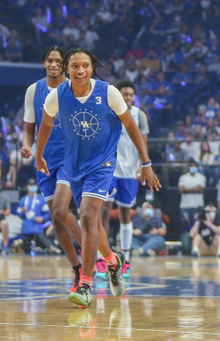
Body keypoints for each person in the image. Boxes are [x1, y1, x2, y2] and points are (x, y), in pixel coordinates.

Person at [36, 47, 160, 307]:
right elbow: (45, 125)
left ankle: (85, 285)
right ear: (67, 69)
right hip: (74, 165)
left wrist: (145, 162)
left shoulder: (109, 92)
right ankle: (113, 262)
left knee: (88, 216)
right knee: (93, 225)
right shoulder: (57, 96)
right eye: (74, 66)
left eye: (85, 65)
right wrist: (39, 155)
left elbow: (131, 127)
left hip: (102, 165)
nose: (80, 70)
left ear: (92, 67)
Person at [21, 46, 84, 292]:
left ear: (65, 65)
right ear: (44, 63)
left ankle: (93, 253)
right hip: (43, 161)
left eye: (59, 61)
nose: (54, 64)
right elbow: (29, 131)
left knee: (60, 209)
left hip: (70, 158)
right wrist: (27, 147)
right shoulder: (33, 90)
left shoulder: (75, 88)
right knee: (57, 221)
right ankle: (77, 269)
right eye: (50, 60)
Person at [100, 80, 149, 279]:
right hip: (110, 170)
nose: (128, 97)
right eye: (124, 94)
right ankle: (102, 260)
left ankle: (125, 260)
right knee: (103, 211)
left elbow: (143, 144)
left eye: (130, 94)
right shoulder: (109, 112)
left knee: (125, 213)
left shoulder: (140, 115)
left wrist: (142, 166)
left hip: (130, 171)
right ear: (118, 95)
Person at [16, 179, 60, 254]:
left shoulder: (41, 199)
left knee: (42, 237)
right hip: (26, 228)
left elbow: (47, 213)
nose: (32, 187)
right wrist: (22, 211)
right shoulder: (23, 200)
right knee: (25, 246)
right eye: (30, 185)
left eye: (34, 185)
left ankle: (51, 248)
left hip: (37, 227)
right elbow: (18, 212)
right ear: (27, 187)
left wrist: (42, 218)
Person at [179, 160, 206, 228]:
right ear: (189, 167)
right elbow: (181, 190)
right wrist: (195, 189)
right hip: (185, 205)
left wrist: (186, 189)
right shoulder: (183, 177)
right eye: (191, 166)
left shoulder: (201, 177)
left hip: (197, 205)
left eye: (194, 166)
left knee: (197, 226)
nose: (193, 167)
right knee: (185, 225)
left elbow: (200, 190)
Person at [0, 184, 11, 254]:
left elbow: (8, 212)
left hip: (1, 219)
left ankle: (5, 246)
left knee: (5, 223)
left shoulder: (5, 197)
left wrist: (2, 212)